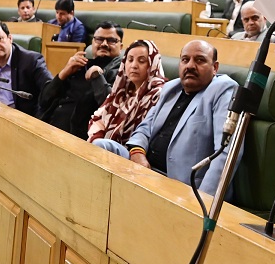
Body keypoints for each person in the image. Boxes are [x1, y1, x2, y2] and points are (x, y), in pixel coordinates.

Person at [93, 40, 240, 197]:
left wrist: (203, 202)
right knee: (100, 146)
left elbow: (226, 153)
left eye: (200, 60)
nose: (190, 65)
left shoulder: (223, 89)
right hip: (146, 170)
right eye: (185, 59)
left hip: (179, 186)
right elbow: (144, 129)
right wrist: (137, 153)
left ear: (215, 68)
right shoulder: (171, 88)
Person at [40, 22, 125, 139]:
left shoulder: (122, 72)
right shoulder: (78, 65)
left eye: (111, 40)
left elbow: (111, 109)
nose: (104, 44)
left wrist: (97, 76)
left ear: (121, 47)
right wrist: (64, 72)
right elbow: (44, 100)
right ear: (93, 42)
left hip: (79, 139)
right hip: (48, 128)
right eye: (99, 39)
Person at [87, 39, 167, 144]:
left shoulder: (159, 94)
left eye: (141, 61)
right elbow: (98, 119)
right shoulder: (122, 91)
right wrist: (97, 139)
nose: (134, 65)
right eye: (130, 60)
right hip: (107, 148)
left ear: (153, 64)